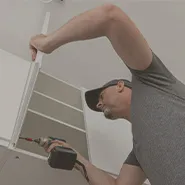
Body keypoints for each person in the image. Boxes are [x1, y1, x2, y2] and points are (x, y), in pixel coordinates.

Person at [29, 4, 185, 185]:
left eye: (101, 97)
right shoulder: (139, 151)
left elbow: (109, 17)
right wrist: (77, 157)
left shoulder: (152, 81)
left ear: (120, 86)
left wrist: (48, 42)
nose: (99, 105)